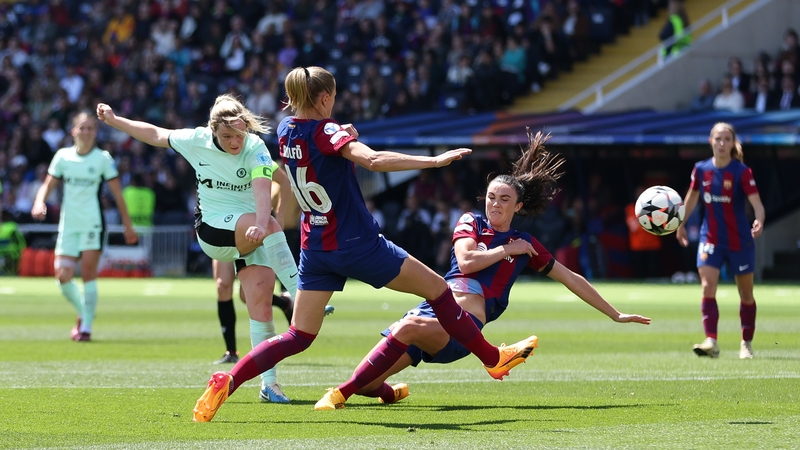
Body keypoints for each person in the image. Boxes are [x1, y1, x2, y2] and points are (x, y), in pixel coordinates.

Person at [191, 66, 538, 422]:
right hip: (358, 244)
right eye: (334, 96)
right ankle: (493, 359)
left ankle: (228, 380)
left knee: (298, 334)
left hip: (316, 248)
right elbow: (370, 159)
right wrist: (431, 160)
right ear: (326, 98)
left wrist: (343, 137)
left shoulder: (285, 130)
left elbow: (322, 154)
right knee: (438, 289)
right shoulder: (327, 130)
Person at [319, 130, 651, 409]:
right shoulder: (471, 223)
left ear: (518, 206)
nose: (495, 204)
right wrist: (507, 249)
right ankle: (390, 391)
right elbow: (466, 262)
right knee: (369, 382)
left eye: (504, 199)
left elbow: (569, 277)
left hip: (463, 327)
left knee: (405, 329)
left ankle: (337, 394)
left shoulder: (526, 242)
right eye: (491, 197)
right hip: (431, 310)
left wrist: (614, 313)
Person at [96, 94, 300, 403]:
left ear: (246, 126)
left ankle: (269, 385)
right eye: (227, 135)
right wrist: (115, 120)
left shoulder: (255, 146)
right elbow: (154, 134)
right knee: (263, 235)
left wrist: (265, 221)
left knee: (259, 305)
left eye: (238, 134)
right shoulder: (196, 139)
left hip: (250, 230)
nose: (234, 141)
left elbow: (265, 188)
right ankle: (300, 292)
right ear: (213, 130)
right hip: (213, 229)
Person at [212, 161, 334, 366]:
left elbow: (282, 185)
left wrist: (279, 216)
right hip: (220, 225)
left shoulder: (255, 156)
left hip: (250, 228)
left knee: (247, 295)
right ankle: (231, 351)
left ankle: (295, 302)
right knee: (222, 285)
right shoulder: (210, 154)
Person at [31, 111, 138, 342]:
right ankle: (84, 311)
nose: (86, 132)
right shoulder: (62, 157)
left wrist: (127, 225)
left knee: (88, 275)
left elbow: (118, 194)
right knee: (62, 276)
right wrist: (39, 202)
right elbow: (48, 185)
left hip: (92, 224)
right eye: (82, 128)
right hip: (69, 224)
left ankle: (86, 328)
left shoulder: (103, 159)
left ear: (95, 133)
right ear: (73, 131)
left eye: (91, 128)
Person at [676, 122, 765, 360]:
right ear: (711, 142)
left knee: (746, 293)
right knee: (707, 287)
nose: (722, 143)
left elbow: (757, 203)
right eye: (718, 139)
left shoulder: (741, 172)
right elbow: (692, 197)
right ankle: (711, 341)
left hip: (739, 240)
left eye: (727, 139)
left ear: (732, 143)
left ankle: (746, 343)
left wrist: (759, 219)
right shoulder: (701, 169)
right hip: (711, 238)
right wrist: (681, 223)